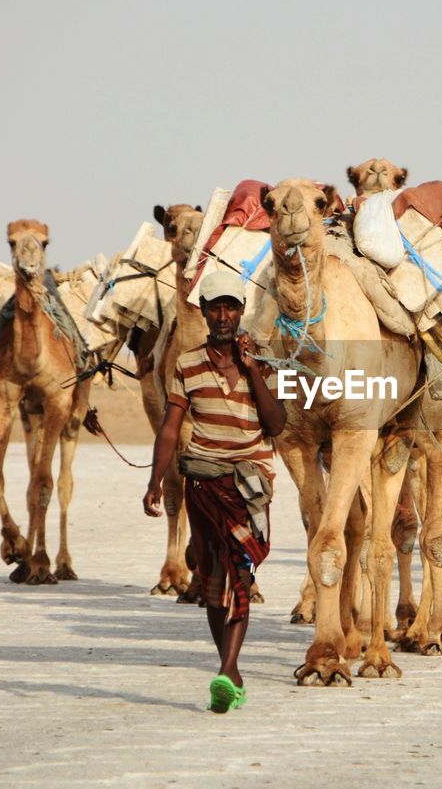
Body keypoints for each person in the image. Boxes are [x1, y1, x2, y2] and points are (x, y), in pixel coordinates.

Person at [143, 271, 286, 712]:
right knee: (212, 580)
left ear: (241, 311)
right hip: (202, 480)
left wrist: (251, 371)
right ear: (204, 313)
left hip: (248, 485)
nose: (223, 316)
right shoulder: (186, 364)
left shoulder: (260, 359)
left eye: (230, 307)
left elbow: (276, 423)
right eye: (215, 308)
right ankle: (230, 669)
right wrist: (155, 479)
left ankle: (226, 671)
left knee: (241, 576)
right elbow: (170, 426)